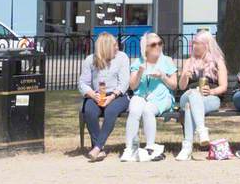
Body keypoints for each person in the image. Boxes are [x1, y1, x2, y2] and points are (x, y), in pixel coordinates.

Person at [122, 32, 177, 162]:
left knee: (147, 110)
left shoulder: (167, 61)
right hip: (141, 95)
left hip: (162, 97)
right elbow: (133, 86)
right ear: (145, 48)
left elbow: (174, 85)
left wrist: (162, 76)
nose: (158, 46)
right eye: (153, 44)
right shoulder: (138, 62)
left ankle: (150, 147)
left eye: (160, 43)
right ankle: (130, 148)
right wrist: (140, 72)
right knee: (134, 110)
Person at [77, 32, 131, 162]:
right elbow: (82, 83)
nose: (117, 48)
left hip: (118, 95)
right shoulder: (90, 60)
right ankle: (100, 149)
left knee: (111, 111)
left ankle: (97, 147)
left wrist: (112, 97)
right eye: (115, 45)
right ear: (105, 47)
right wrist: (92, 94)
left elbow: (124, 83)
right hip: (96, 95)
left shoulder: (122, 58)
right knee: (89, 111)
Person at [176, 29, 228, 161]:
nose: (194, 46)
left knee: (189, 107)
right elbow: (181, 87)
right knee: (192, 95)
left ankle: (187, 147)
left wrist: (211, 91)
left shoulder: (218, 61)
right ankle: (201, 129)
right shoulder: (189, 61)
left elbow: (223, 86)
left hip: (210, 98)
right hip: (187, 95)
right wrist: (184, 76)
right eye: (193, 43)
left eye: (197, 43)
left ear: (206, 44)